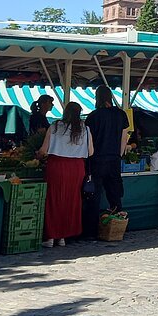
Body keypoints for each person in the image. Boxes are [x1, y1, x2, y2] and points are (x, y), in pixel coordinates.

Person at [40, 102, 92, 247]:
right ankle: (62, 237)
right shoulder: (85, 129)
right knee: (70, 200)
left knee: (54, 200)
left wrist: (37, 155)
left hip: (57, 165)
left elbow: (43, 150)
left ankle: (51, 237)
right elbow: (91, 151)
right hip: (76, 168)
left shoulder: (55, 126)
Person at [85, 85, 130, 214]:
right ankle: (117, 221)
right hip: (114, 159)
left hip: (97, 160)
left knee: (94, 196)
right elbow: (124, 138)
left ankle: (92, 224)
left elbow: (88, 141)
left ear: (97, 98)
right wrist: (119, 155)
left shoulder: (93, 116)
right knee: (115, 194)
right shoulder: (121, 114)